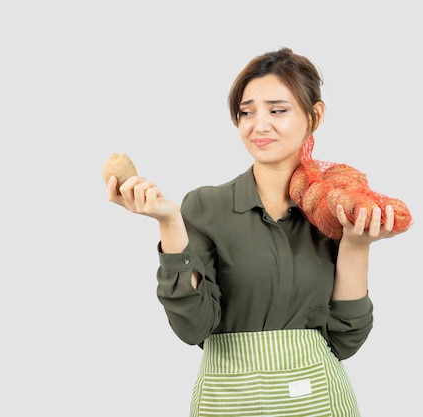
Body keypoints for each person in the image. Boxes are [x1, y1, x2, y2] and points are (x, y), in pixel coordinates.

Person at [106, 47, 413, 416]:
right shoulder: (205, 207)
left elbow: (346, 339)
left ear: (314, 116)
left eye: (277, 110)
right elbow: (193, 327)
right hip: (227, 403)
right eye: (246, 112)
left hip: (317, 401)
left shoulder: (334, 209)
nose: (258, 124)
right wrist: (170, 221)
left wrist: (356, 243)